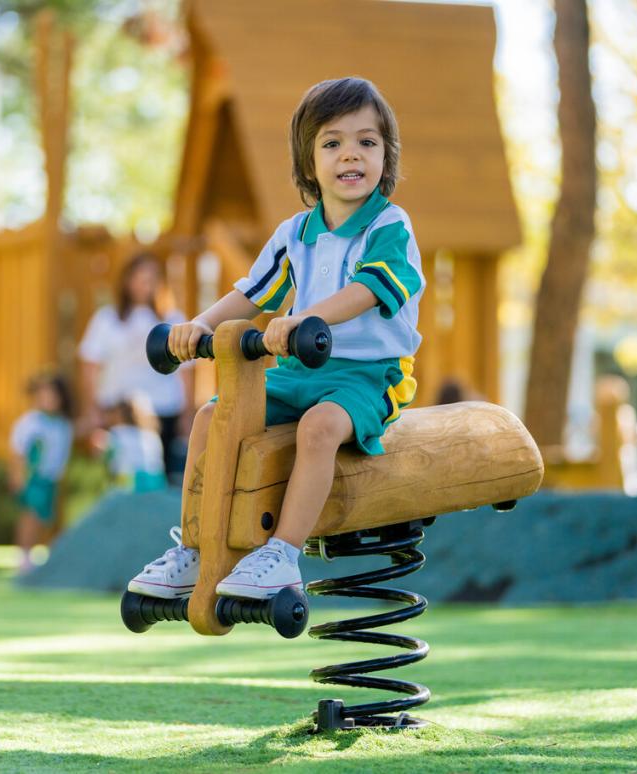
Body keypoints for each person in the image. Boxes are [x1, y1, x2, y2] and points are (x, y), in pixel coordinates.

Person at [128, 77, 424, 601]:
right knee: (211, 418)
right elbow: (253, 294)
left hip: (368, 374)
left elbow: (371, 288)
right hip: (297, 371)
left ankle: (282, 556)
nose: (350, 155)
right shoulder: (295, 234)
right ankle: (194, 551)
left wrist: (308, 317)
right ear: (309, 162)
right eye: (332, 143)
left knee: (319, 428)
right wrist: (199, 325)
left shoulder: (389, 226)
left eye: (367, 142)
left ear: (386, 155)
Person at [78, 253, 192, 481]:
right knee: (119, 479)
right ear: (127, 281)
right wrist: (92, 409)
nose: (145, 284)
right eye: (140, 277)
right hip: (119, 413)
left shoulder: (174, 319)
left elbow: (187, 370)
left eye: (151, 278)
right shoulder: (107, 319)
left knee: (161, 481)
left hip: (163, 412)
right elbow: (90, 365)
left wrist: (188, 413)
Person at [8, 372, 74, 574]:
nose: (47, 400)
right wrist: (17, 475)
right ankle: (23, 556)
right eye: (43, 395)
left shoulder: (63, 424)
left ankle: (38, 553)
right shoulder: (31, 422)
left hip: (50, 479)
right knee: (31, 515)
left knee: (45, 517)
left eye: (52, 395)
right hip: (33, 477)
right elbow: (18, 450)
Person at [99, 394, 168, 493]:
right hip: (156, 481)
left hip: (129, 481)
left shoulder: (117, 433)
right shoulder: (152, 436)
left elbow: (106, 453)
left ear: (118, 415)